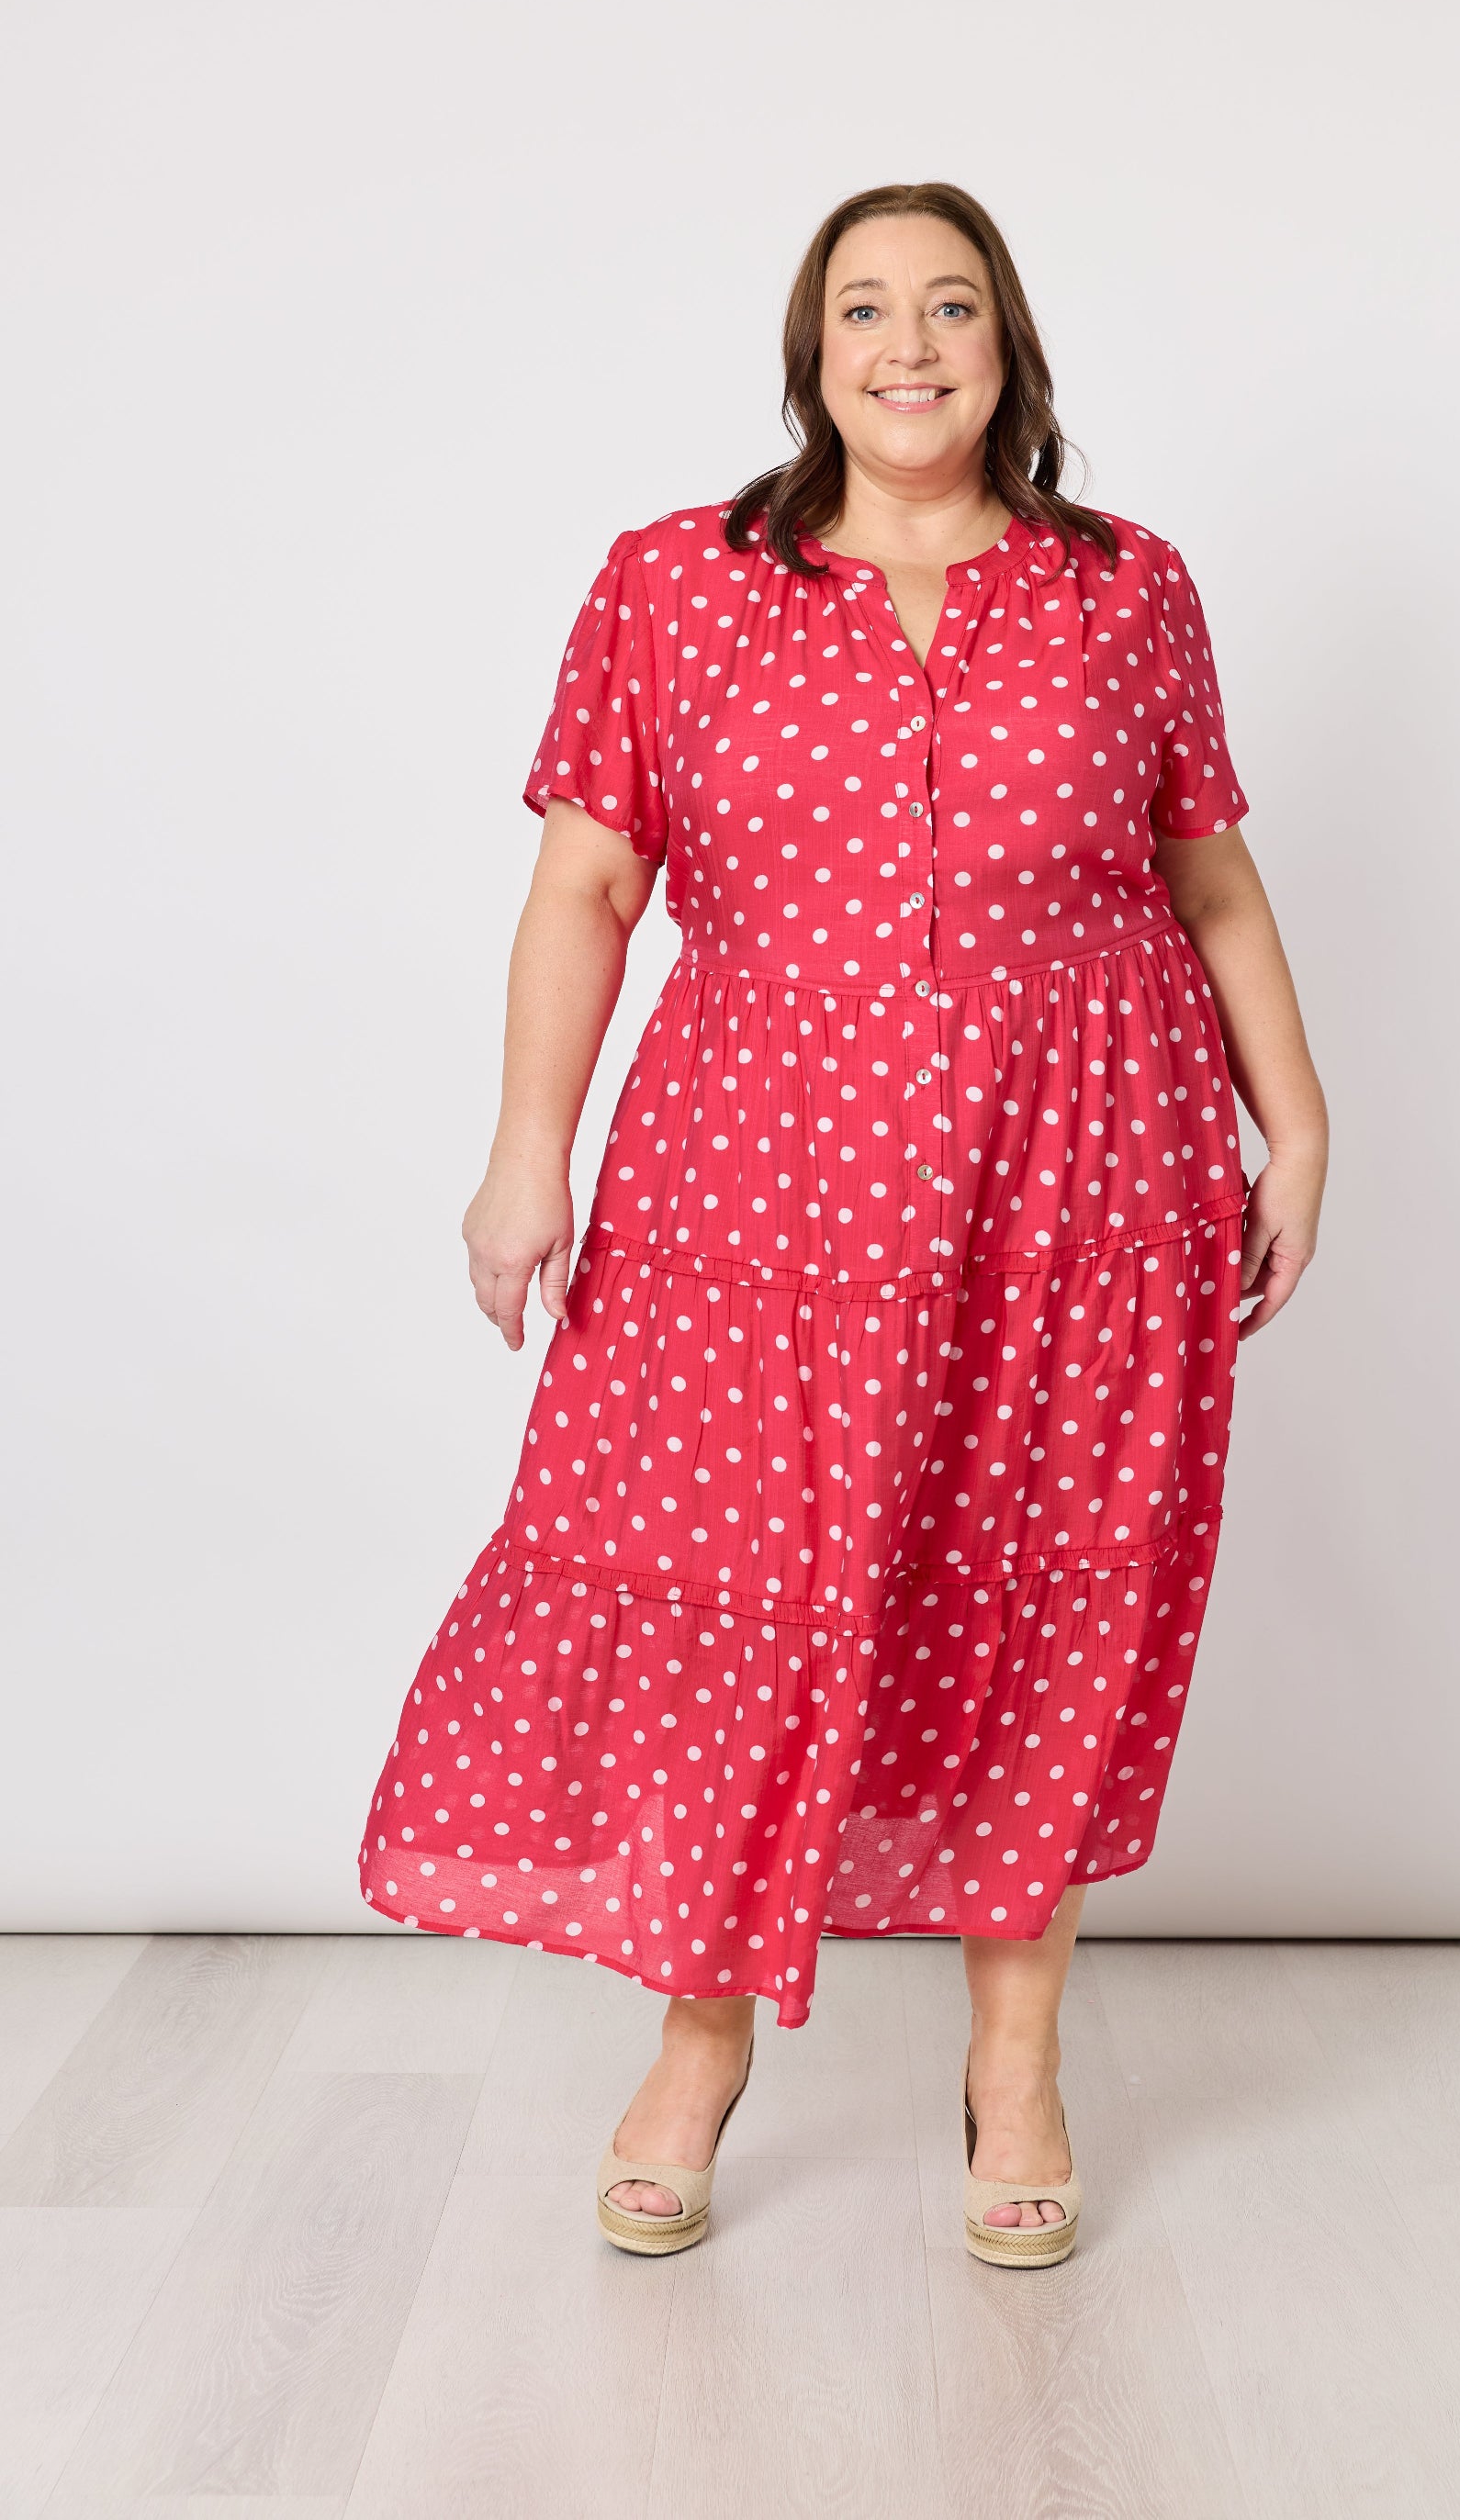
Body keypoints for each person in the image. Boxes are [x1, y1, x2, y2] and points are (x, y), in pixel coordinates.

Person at [358, 180, 1328, 2268]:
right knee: (743, 1596)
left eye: (950, 305)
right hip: (756, 1185)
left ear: (1009, 345)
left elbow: (1208, 875)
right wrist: (525, 1153)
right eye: (865, 308)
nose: (909, 344)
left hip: (1085, 1179)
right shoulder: (675, 584)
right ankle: (700, 2048)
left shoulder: (1123, 588)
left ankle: (1015, 2066)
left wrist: (1300, 1120)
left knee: (1051, 1594)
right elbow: (585, 890)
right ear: (810, 350)